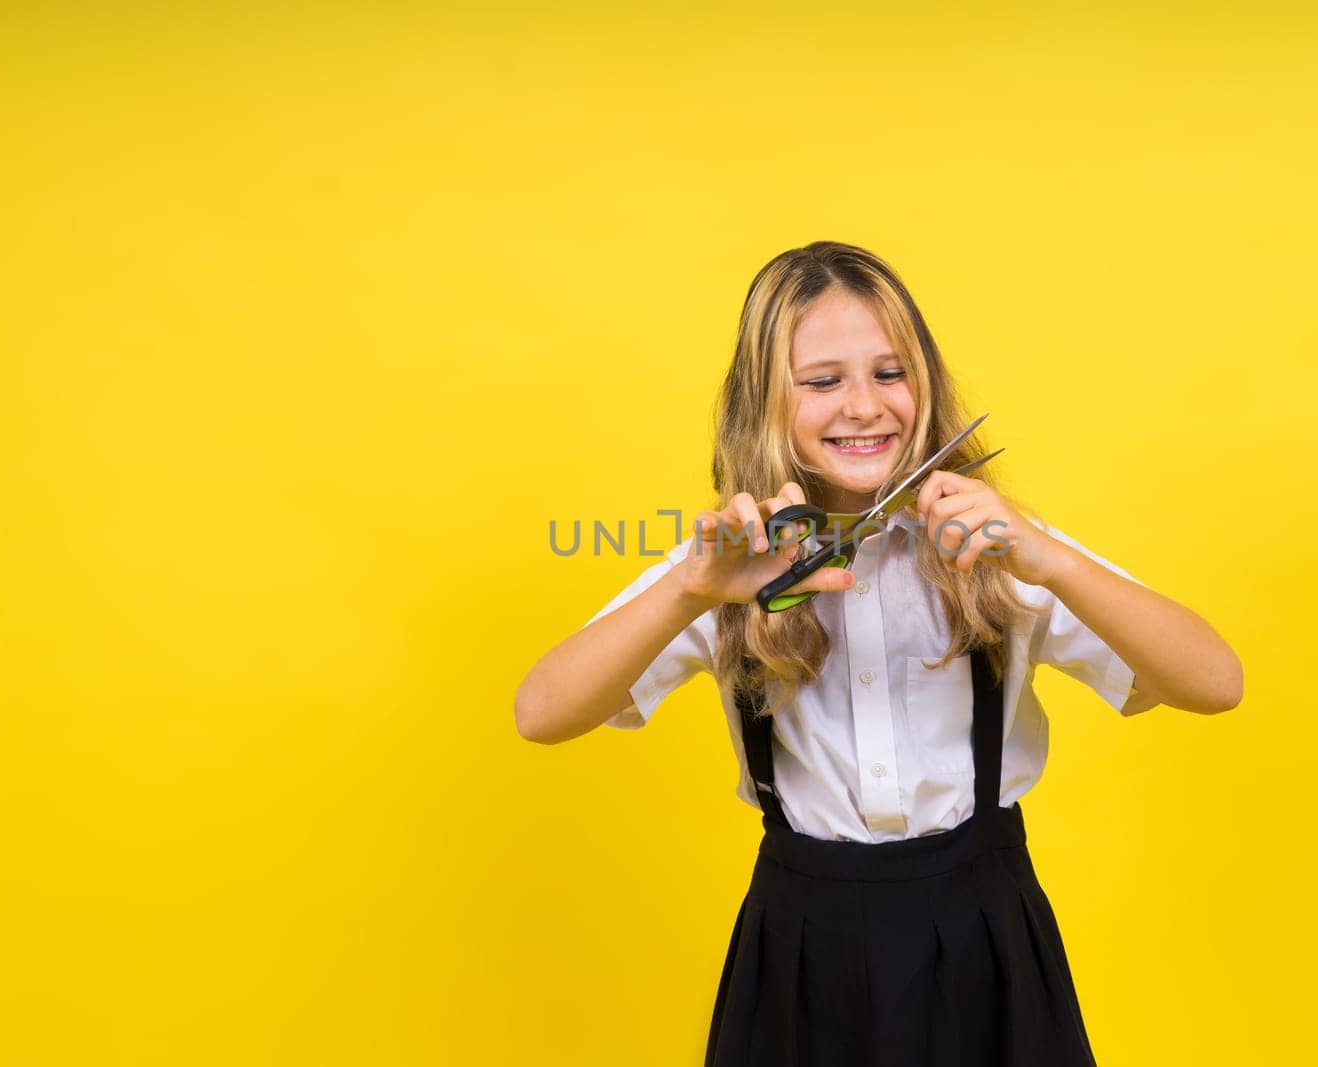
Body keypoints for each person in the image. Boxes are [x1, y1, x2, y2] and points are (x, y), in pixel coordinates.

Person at [515, 241, 1244, 1066]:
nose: (864, 405)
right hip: (798, 949)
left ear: (925, 386)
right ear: (765, 401)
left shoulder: (991, 546)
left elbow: (1216, 682)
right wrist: (692, 588)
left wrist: (1052, 560)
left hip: (986, 938)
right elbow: (541, 712)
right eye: (823, 381)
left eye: (890, 373)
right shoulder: (728, 564)